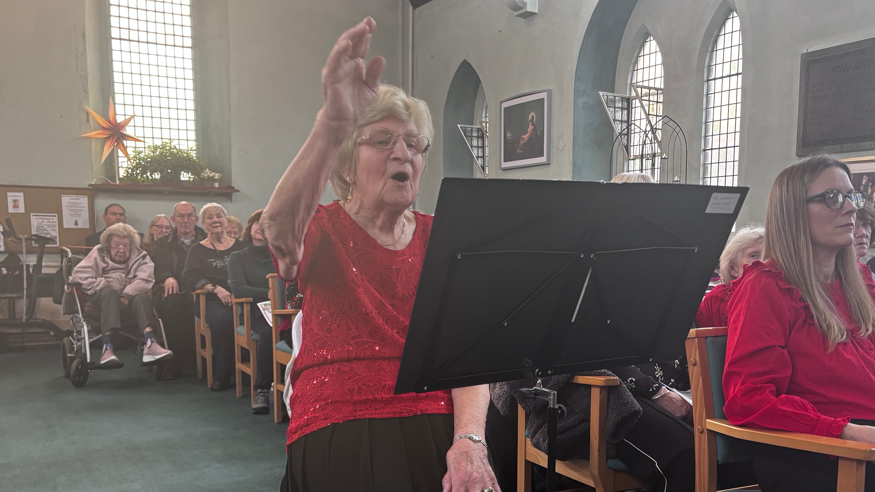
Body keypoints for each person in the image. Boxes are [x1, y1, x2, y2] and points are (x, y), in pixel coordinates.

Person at [262, 18, 499, 492]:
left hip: (436, 413)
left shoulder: (442, 237)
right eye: (382, 140)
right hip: (337, 416)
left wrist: (471, 439)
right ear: (346, 165)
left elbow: (468, 356)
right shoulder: (324, 227)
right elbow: (278, 232)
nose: (402, 154)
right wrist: (332, 125)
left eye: (413, 144)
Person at [723, 155, 875, 491]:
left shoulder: (860, 283)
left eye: (852, 196)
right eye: (833, 198)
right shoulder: (767, 286)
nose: (851, 208)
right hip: (814, 450)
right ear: (792, 211)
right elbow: (749, 399)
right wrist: (847, 431)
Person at [70, 223, 173, 366]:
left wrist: (126, 295)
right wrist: (101, 285)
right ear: (108, 244)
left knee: (142, 297)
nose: (121, 249)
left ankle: (150, 343)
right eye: (117, 245)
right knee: (110, 294)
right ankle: (107, 348)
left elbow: (145, 278)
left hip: (129, 299)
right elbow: (79, 275)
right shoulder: (98, 253)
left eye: (125, 245)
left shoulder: (140, 256)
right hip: (100, 298)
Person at [182, 202, 246, 391]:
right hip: (211, 301)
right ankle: (222, 375)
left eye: (219, 216)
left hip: (242, 298)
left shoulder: (242, 247)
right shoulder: (197, 250)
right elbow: (189, 277)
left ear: (226, 221)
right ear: (203, 224)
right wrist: (215, 288)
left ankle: (259, 374)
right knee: (225, 321)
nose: (215, 220)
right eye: (210, 217)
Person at [152, 201, 207, 379]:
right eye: (181, 216)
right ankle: (174, 361)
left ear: (196, 219)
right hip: (172, 290)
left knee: (196, 304)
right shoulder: (162, 243)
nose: (185, 220)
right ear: (174, 219)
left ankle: (201, 359)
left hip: (199, 290)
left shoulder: (206, 241)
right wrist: (167, 276)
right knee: (172, 304)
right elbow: (158, 265)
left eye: (189, 215)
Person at [229, 209, 275, 415]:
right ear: (250, 227)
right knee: (268, 333)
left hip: (281, 308)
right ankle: (262, 390)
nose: (260, 227)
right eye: (257, 222)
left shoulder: (281, 254)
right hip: (254, 311)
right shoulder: (238, 257)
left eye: (266, 224)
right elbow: (238, 289)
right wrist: (270, 292)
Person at [695, 226, 764, 328]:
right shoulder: (718, 300)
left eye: (767, 255)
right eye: (754, 255)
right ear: (733, 268)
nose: (763, 261)